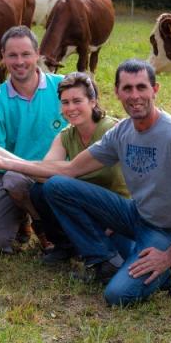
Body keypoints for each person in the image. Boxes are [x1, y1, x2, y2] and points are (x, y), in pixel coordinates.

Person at [0, 59, 171, 306]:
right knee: (57, 187)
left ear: (155, 90)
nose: (135, 96)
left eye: (141, 87)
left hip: (169, 230)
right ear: (117, 92)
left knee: (118, 296)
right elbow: (69, 170)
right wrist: (4, 160)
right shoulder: (122, 132)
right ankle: (104, 262)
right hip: (135, 215)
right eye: (127, 88)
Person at [0, 25, 67, 253]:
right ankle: (30, 217)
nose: (19, 61)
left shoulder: (64, 88)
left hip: (60, 174)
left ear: (37, 55)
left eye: (26, 54)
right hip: (11, 178)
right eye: (12, 55)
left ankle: (46, 226)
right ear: (3, 57)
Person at [31, 71, 131, 264]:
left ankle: (99, 252)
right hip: (85, 203)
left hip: (117, 207)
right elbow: (42, 172)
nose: (71, 108)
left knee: (125, 257)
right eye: (65, 102)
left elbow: (137, 178)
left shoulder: (112, 130)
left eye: (77, 101)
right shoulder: (66, 135)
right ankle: (65, 245)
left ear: (92, 101)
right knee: (40, 190)